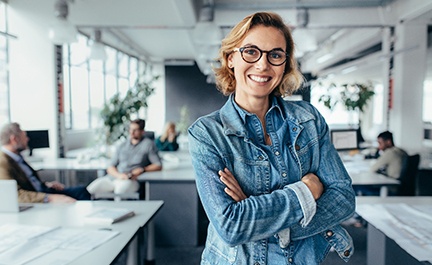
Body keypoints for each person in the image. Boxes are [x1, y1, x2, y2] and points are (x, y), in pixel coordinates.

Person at [188, 12, 356, 264]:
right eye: (251, 52)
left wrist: (262, 218)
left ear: (285, 64)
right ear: (231, 58)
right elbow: (231, 226)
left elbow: (343, 198)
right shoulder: (207, 133)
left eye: (275, 55)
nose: (263, 65)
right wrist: (305, 191)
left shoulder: (308, 120)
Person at [0, 122, 91, 203]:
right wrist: (49, 198)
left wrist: (46, 184)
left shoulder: (17, 157)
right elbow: (13, 195)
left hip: (43, 191)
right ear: (14, 139)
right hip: (39, 198)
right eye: (25, 136)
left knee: (81, 190)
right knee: (79, 194)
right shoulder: (3, 162)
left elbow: (29, 180)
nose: (27, 139)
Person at [86, 118, 162, 195]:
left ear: (142, 131)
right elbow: (110, 167)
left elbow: (158, 165)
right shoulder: (122, 145)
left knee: (119, 192)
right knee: (90, 190)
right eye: (131, 129)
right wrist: (119, 176)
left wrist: (142, 170)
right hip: (115, 177)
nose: (132, 132)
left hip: (131, 180)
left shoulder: (148, 144)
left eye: (135, 130)